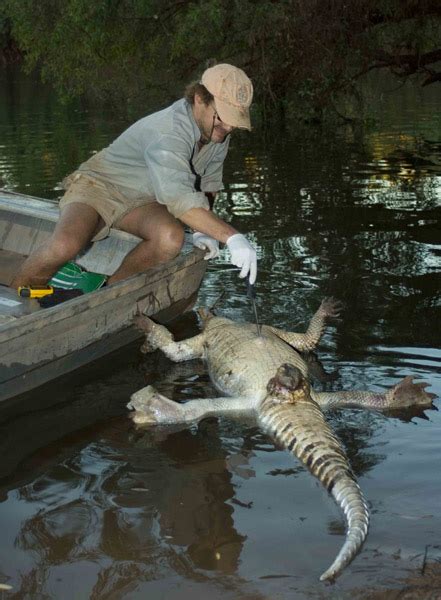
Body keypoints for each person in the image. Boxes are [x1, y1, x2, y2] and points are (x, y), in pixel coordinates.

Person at [11, 63, 257, 291]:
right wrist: (230, 236)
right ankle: (16, 300)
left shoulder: (217, 134)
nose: (229, 128)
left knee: (170, 238)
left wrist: (203, 230)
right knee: (66, 244)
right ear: (199, 99)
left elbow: (207, 185)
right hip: (99, 186)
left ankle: (106, 295)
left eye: (234, 121)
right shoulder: (168, 131)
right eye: (223, 117)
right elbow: (179, 199)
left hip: (142, 200)